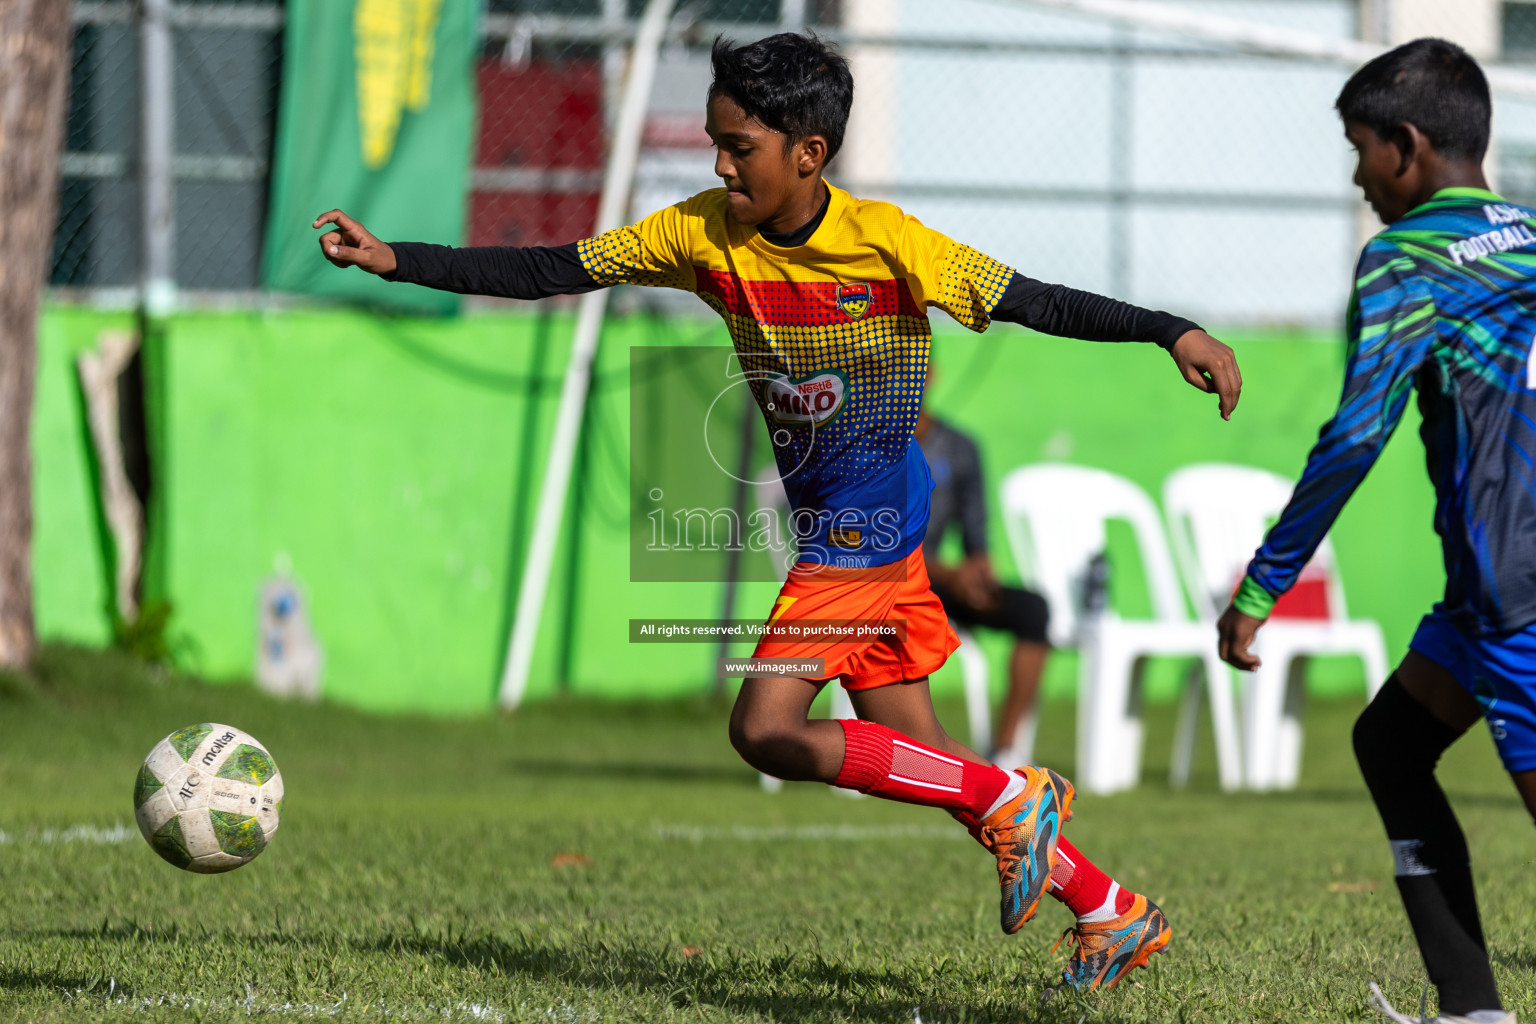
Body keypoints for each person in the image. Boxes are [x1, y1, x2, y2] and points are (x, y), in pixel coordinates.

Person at [317, 32, 1240, 992]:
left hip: (863, 535)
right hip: (857, 528)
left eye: (739, 146)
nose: (719, 163)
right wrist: (398, 261)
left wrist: (1168, 329)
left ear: (809, 151)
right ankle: (1106, 907)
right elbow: (553, 267)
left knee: (764, 729)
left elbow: (1037, 301)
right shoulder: (700, 233)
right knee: (915, 757)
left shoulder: (892, 243)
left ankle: (1014, 791)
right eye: (716, 142)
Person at [1217, 38, 1531, 1024]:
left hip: (1515, 591)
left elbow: (1356, 435)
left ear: (1405, 144)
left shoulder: (1408, 257)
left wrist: (1264, 583)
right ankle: (1472, 1010)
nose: (1357, 180)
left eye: (1359, 151)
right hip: (1486, 596)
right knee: (1391, 744)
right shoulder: (1530, 236)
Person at [914, 378, 1051, 766]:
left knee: (1033, 610)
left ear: (929, 372)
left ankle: (1005, 751)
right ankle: (899, 755)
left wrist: (979, 573)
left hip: (941, 586)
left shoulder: (959, 447)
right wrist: (948, 573)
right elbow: (873, 542)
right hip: (885, 584)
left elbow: (976, 534)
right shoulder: (868, 443)